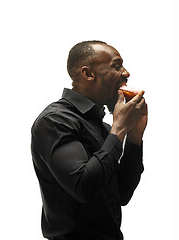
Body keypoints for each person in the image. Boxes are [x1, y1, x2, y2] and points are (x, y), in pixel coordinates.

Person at [31, 40, 148, 240]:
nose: (126, 73)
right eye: (117, 66)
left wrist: (134, 136)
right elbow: (83, 187)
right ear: (88, 74)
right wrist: (119, 129)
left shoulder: (101, 127)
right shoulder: (55, 121)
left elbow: (121, 194)